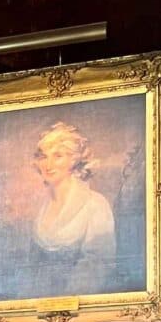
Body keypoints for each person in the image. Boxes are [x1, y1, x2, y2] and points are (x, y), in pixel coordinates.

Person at [28, 122, 117, 295]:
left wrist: (64, 300)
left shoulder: (95, 204)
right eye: (43, 157)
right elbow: (32, 269)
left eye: (58, 156)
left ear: (73, 160)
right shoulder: (41, 211)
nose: (48, 164)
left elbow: (99, 265)